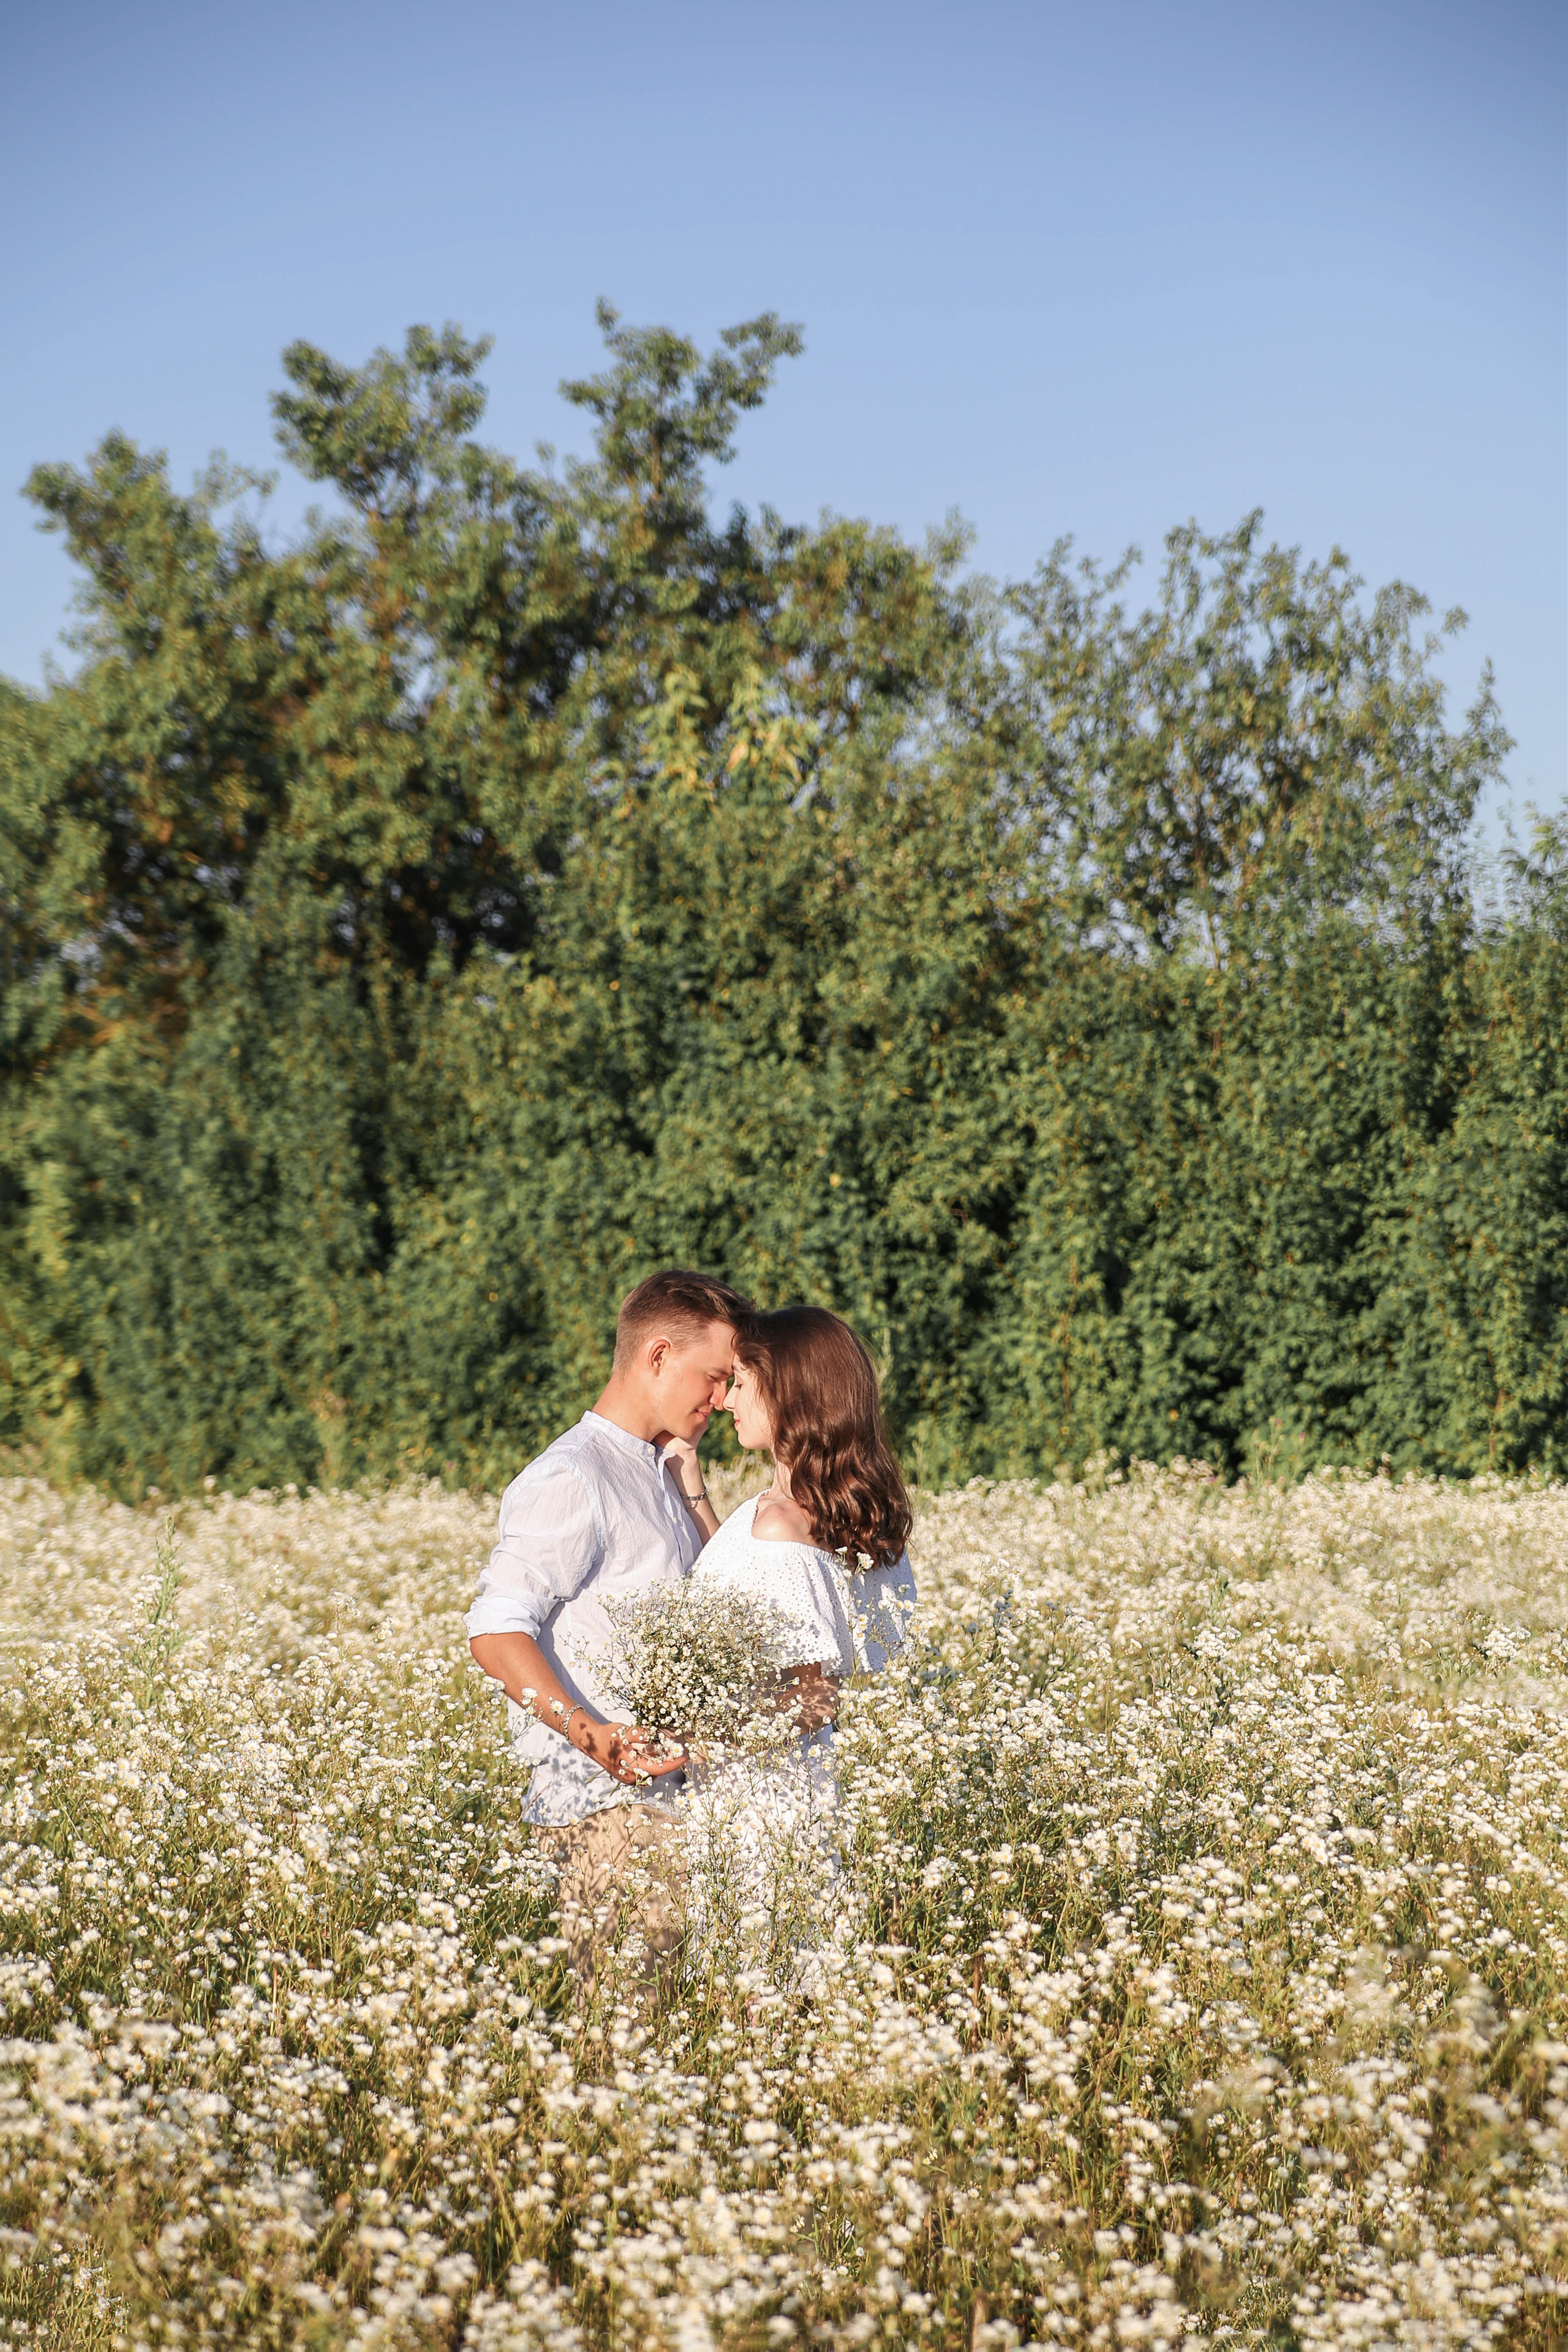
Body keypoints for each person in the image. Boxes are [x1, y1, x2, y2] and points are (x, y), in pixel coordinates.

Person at [466, 1267, 751, 1977]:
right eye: (713, 1378)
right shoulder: (574, 1475)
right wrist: (591, 1737)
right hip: (604, 1811)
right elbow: (495, 1631)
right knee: (628, 2034)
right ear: (657, 1356)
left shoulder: (658, 1468)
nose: (722, 1398)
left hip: (668, 1802)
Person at [677, 1305, 917, 1966]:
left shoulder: (784, 1525)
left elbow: (814, 1698)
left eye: (743, 1380)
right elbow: (753, 1597)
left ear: (789, 1391)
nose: (725, 1399)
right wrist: (695, 1492)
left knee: (761, 1989)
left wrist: (690, 1734)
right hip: (792, 1795)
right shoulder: (834, 1511)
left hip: (760, 1807)